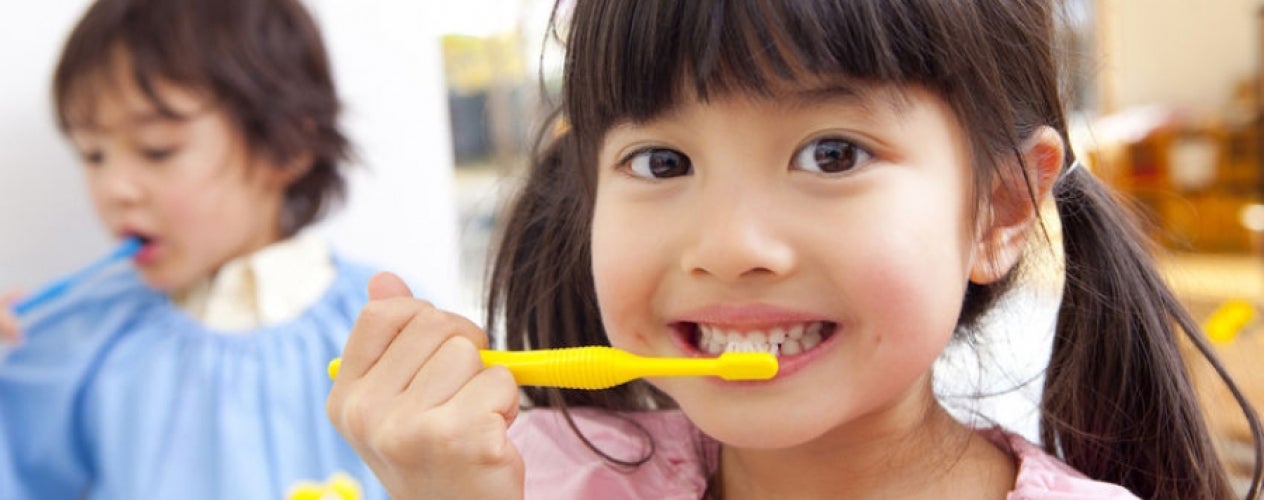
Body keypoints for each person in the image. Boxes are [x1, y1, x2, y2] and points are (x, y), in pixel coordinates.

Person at [326, 1, 1264, 498]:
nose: (731, 247)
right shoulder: (529, 480)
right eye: (662, 160)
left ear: (1001, 210)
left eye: (832, 153)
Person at [0, 0, 389, 498]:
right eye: (92, 154)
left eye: (157, 149)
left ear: (287, 146)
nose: (114, 187)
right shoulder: (79, 340)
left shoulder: (383, 328)